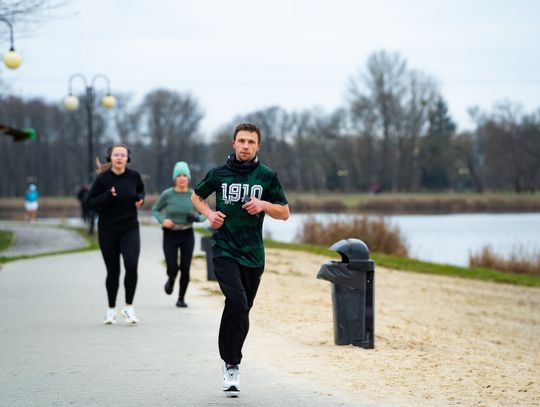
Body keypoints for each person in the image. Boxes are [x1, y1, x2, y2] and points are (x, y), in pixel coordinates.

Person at [191, 123, 290, 397]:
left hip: (253, 255)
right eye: (242, 141)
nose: (246, 146)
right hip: (224, 250)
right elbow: (196, 196)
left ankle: (230, 358)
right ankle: (232, 364)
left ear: (258, 146)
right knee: (237, 302)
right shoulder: (218, 174)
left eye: (251, 142)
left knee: (242, 310)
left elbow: (284, 213)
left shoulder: (267, 176)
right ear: (233, 143)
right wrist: (209, 215)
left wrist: (264, 205)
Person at [85, 144, 145, 325]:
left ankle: (129, 307)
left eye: (123, 155)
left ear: (128, 158)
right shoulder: (103, 179)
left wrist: (140, 199)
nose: (119, 158)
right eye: (116, 155)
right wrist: (107, 196)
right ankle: (111, 310)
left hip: (130, 228)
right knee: (113, 271)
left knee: (131, 265)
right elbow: (89, 202)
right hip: (108, 230)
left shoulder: (134, 176)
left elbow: (141, 190)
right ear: (110, 158)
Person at [152, 161, 204, 308]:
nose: (182, 178)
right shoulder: (167, 194)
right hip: (170, 234)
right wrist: (163, 220)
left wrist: (197, 218)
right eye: (179, 175)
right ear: (175, 178)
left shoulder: (194, 195)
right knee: (172, 267)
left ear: (188, 178)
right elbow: (155, 210)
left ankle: (181, 298)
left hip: (187, 234)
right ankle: (171, 279)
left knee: (185, 268)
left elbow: (206, 213)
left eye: (184, 175)